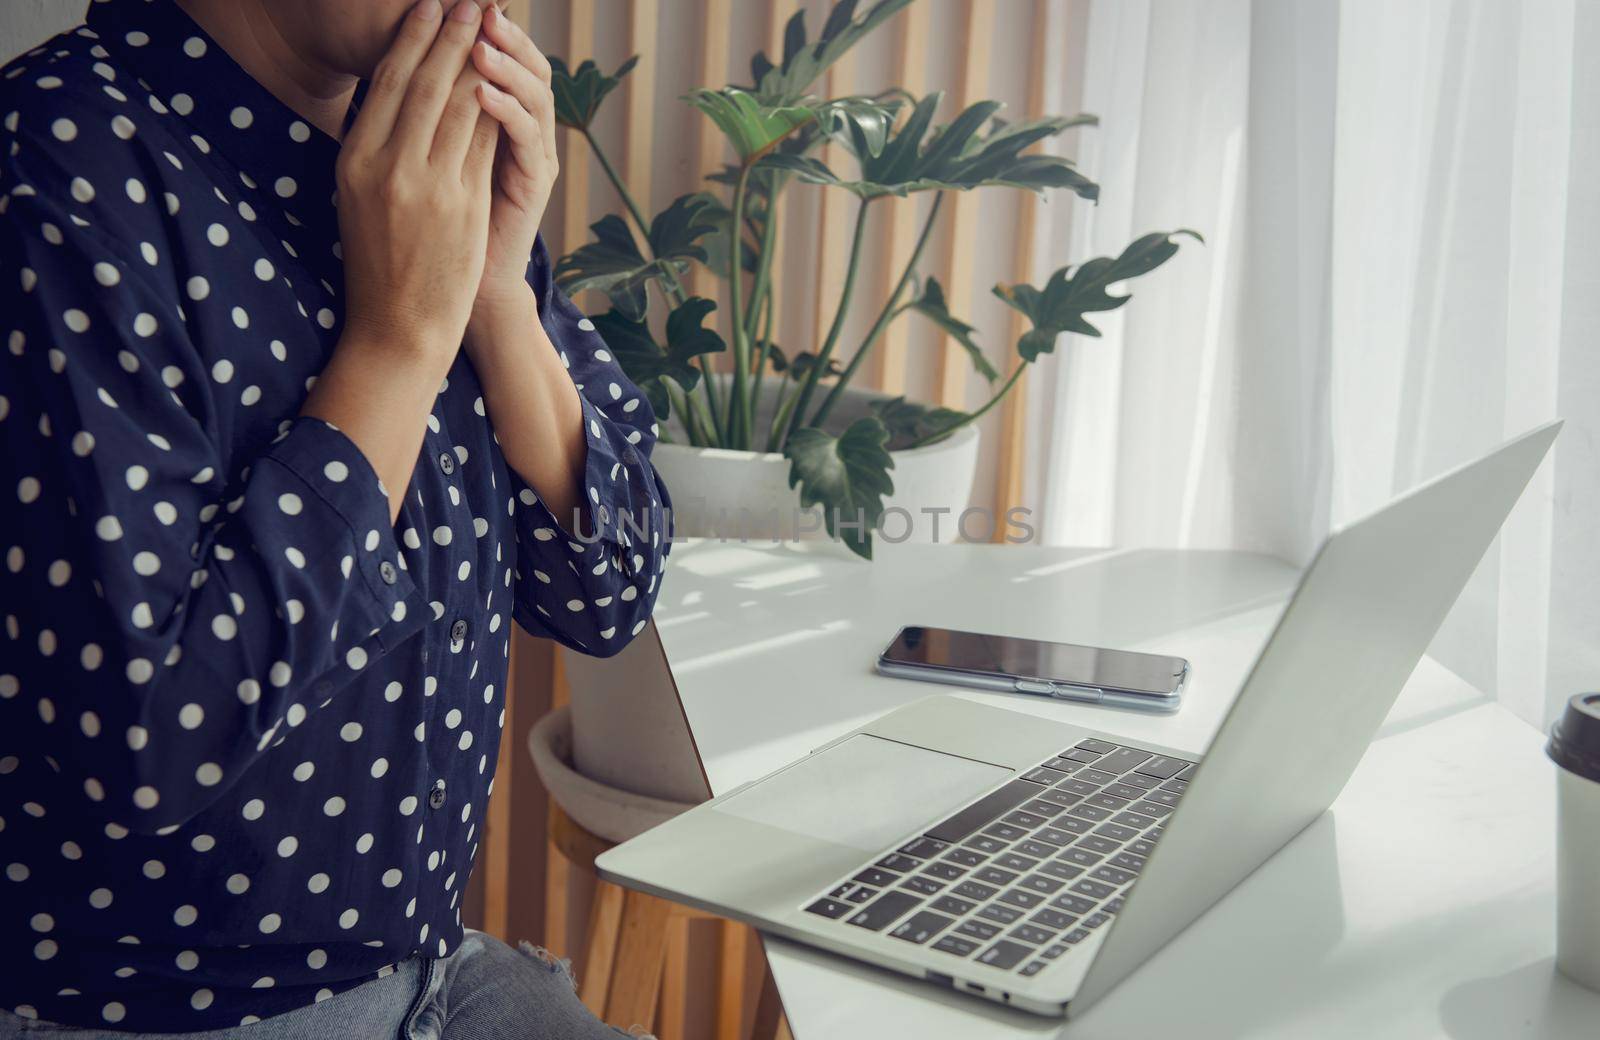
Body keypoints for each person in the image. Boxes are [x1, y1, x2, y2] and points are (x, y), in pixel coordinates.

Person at [0, 0, 670, 1035]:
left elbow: (608, 591)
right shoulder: (53, 171)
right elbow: (152, 741)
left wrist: (494, 294)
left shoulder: (422, 151)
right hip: (159, 1010)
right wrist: (397, 343)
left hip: (433, 968)